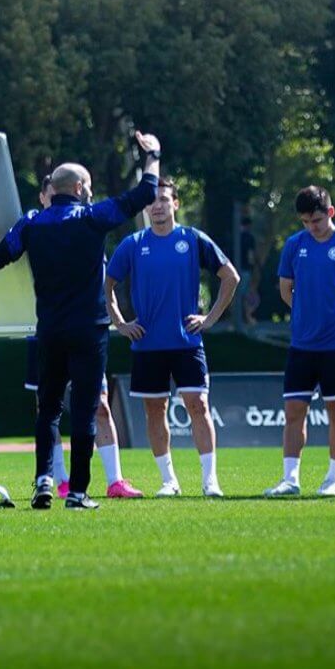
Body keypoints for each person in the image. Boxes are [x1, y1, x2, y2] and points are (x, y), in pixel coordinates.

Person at [0, 132, 161, 509]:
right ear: (80, 188)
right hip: (89, 329)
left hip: (49, 330)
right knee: (85, 409)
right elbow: (146, 192)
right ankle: (79, 492)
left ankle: (43, 481)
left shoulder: (32, 223)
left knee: (47, 410)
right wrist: (153, 154)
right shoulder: (92, 217)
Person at [106, 177, 239, 497]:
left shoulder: (193, 239)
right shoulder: (134, 244)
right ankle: (169, 481)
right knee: (155, 411)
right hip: (148, 345)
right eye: (152, 201)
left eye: (164, 200)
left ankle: (210, 481)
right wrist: (121, 324)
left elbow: (230, 277)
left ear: (176, 204)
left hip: (187, 343)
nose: (158, 206)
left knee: (199, 406)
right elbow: (107, 286)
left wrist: (210, 318)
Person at [265, 186, 335, 497]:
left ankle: (333, 479)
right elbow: (285, 290)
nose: (311, 226)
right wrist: (307, 312)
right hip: (301, 346)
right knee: (293, 411)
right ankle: (290, 479)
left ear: (330, 213)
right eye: (305, 221)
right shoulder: (294, 245)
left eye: (316, 220)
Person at [21, 175, 70, 497]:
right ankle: (56, 477)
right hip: (41, 328)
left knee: (96, 404)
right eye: (51, 193)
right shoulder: (31, 226)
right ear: (42, 197)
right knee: (47, 406)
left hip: (80, 327)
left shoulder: (84, 222)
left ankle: (107, 479)